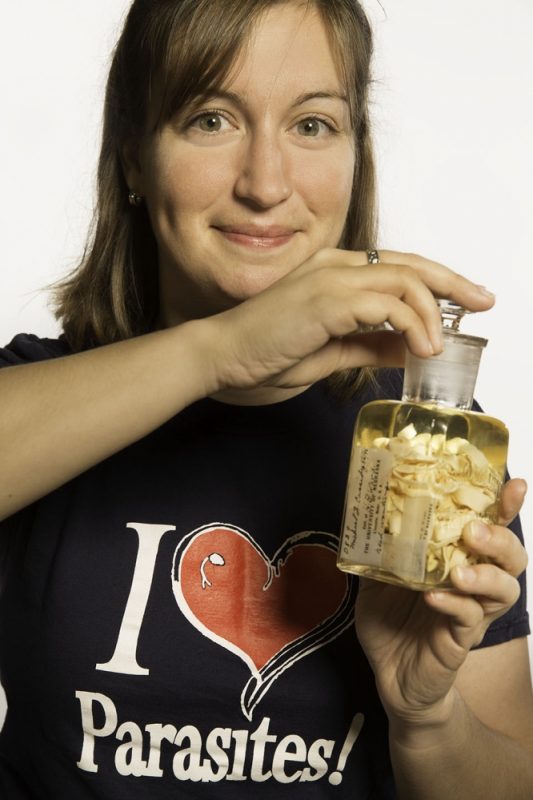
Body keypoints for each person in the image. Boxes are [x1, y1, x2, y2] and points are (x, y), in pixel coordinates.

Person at [0, 0, 531, 797]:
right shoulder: (41, 397)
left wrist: (426, 718)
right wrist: (221, 352)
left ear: (356, 156)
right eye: (210, 118)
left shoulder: (425, 451)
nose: (266, 183)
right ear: (133, 157)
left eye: (312, 125)